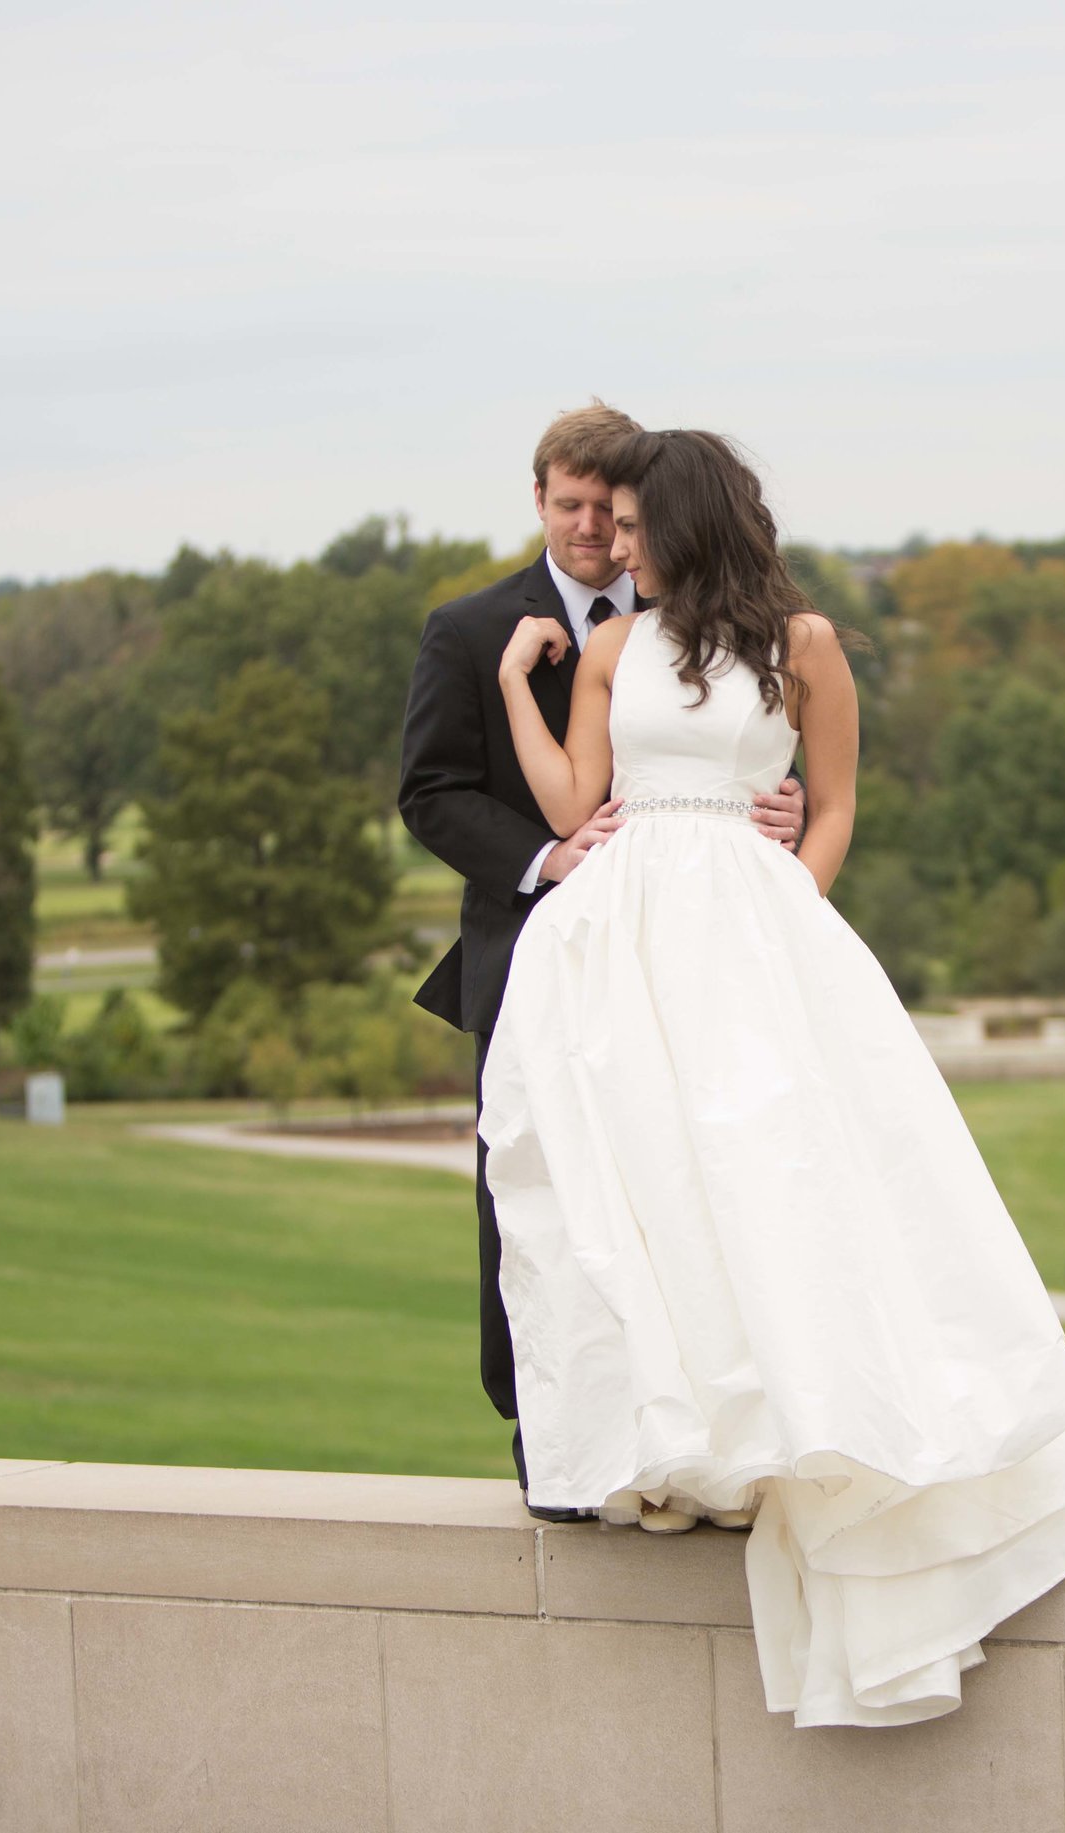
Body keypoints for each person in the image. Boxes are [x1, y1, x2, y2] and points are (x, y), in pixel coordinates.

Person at [477, 426, 1065, 1728]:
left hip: (754, 928)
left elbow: (830, 804)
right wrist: (516, 680)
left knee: (778, 1176)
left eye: (632, 519)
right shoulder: (613, 650)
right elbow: (571, 807)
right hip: (625, 941)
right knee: (640, 1187)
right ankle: (674, 1443)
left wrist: (794, 910)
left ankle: (820, 1423)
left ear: (689, 518)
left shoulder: (809, 648)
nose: (612, 540)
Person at [396, 401, 807, 1522]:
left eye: (607, 510)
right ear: (538, 501)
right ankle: (555, 1444)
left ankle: (699, 1434)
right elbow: (428, 795)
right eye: (571, 507)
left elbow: (754, 740)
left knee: (687, 1189)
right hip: (534, 949)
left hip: (691, 964)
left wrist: (776, 805)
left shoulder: (701, 619)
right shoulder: (473, 628)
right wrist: (548, 857)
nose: (591, 530)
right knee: (541, 1201)